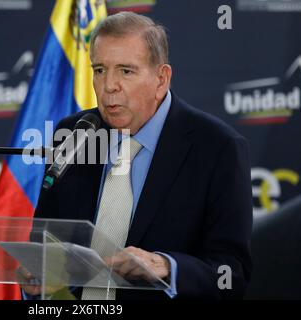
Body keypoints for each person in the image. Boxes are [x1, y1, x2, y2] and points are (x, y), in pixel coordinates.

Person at [20, 11, 253, 300]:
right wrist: (35, 279)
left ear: (161, 79)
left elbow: (232, 274)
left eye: (126, 71)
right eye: (100, 70)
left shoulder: (217, 148)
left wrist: (166, 266)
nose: (108, 86)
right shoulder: (74, 134)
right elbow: (45, 245)